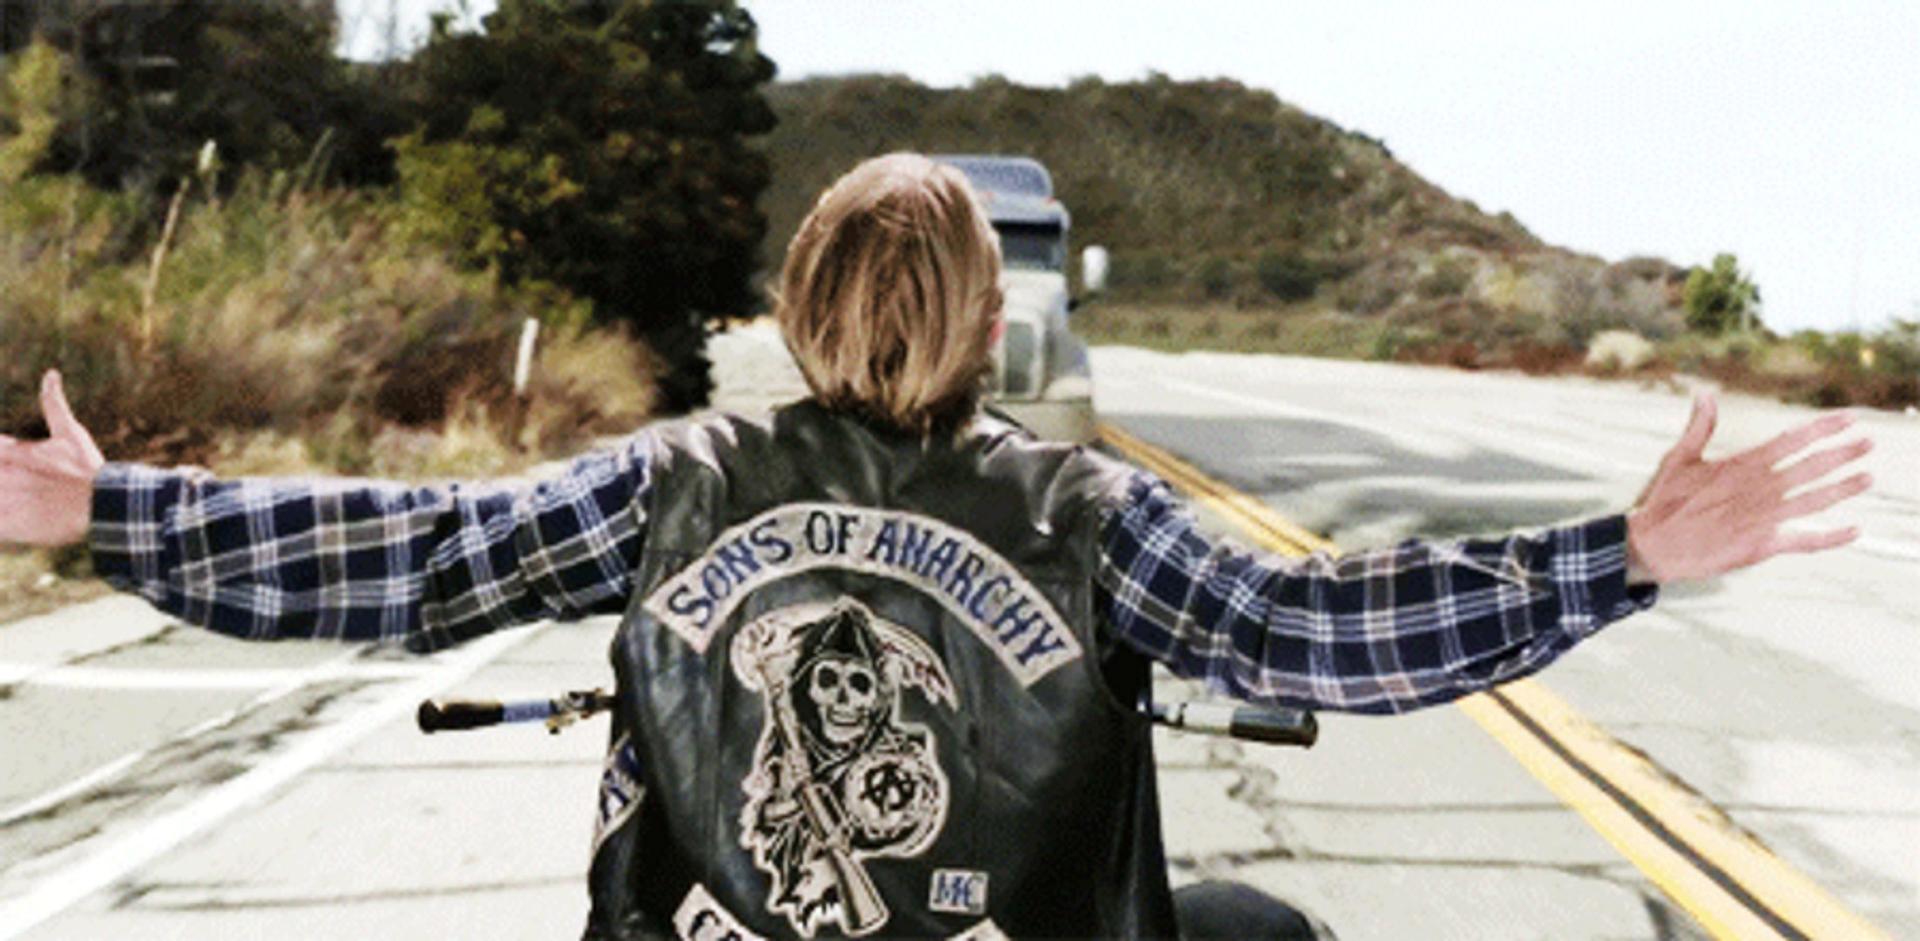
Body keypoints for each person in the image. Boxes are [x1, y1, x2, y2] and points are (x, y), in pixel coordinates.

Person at [0, 153, 1873, 941]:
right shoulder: (1091, 511)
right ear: (991, 324)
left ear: (791, 310)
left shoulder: (666, 481)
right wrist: (1622, 553)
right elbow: (1320, 630)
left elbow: (410, 552)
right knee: (1271, 930)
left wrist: (114, 510)